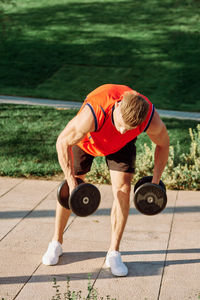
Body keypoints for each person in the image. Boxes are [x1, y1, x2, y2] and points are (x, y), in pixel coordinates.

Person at [42, 84, 169, 277]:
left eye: (128, 128)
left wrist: (155, 182)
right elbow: (62, 142)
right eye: (120, 125)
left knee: (123, 189)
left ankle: (114, 252)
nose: (121, 130)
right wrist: (73, 183)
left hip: (121, 147)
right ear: (117, 107)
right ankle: (56, 242)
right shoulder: (95, 112)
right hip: (87, 142)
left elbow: (163, 144)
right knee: (70, 188)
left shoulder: (148, 118)